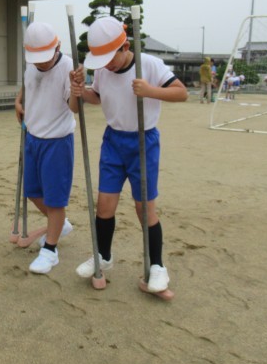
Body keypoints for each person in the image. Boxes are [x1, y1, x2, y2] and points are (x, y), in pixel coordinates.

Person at [70, 16, 188, 293]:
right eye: (102, 61)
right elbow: (98, 97)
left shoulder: (149, 64)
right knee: (104, 205)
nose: (107, 65)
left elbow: (181, 93)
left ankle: (157, 266)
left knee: (144, 207)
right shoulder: (103, 70)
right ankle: (103, 256)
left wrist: (151, 91)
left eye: (110, 58)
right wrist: (82, 91)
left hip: (143, 141)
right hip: (113, 141)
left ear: (125, 47)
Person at [14, 22, 76, 274]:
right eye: (36, 58)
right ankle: (60, 225)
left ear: (57, 47)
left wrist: (77, 89)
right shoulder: (31, 64)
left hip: (57, 141)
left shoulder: (67, 67)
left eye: (45, 57)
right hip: (33, 137)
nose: (40, 63)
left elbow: (74, 107)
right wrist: (18, 101)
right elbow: (27, 87)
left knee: (55, 199)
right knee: (32, 191)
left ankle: (50, 250)